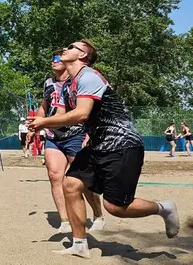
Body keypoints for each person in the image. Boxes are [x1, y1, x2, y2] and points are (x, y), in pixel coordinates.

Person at [28, 40, 179, 258]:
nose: (64, 49)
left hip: (122, 143)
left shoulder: (88, 76)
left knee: (116, 207)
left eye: (71, 47)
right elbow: (60, 118)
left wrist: (44, 123)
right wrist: (38, 123)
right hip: (97, 144)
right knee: (70, 185)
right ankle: (80, 244)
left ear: (82, 56)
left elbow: (81, 114)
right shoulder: (68, 84)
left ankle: (164, 208)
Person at [38, 50, 104, 234]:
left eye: (58, 59)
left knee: (80, 179)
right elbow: (44, 107)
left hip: (77, 134)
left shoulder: (79, 81)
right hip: (54, 135)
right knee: (54, 175)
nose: (54, 61)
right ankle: (65, 221)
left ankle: (98, 214)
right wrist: (36, 123)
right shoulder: (49, 83)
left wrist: (90, 135)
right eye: (52, 59)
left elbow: (89, 112)